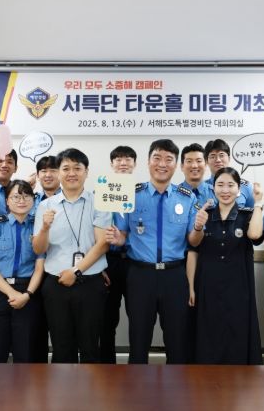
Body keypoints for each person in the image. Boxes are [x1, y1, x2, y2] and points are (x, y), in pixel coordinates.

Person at [107, 139, 203, 364]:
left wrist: (198, 227)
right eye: (157, 158)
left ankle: (176, 385)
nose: (162, 164)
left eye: (169, 159)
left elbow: (193, 241)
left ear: (176, 165)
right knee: (138, 340)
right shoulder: (131, 194)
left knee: (177, 341)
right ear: (148, 162)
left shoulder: (187, 197)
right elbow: (123, 235)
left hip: (175, 276)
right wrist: (118, 238)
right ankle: (136, 385)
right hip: (140, 275)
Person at [32, 148, 110, 363]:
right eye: (66, 168)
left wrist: (75, 271)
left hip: (90, 283)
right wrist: (45, 228)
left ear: (87, 172)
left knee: (90, 347)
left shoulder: (100, 202)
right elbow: (38, 249)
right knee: (61, 347)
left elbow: (103, 244)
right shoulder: (45, 206)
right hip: (56, 284)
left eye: (77, 168)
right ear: (59, 173)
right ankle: (62, 386)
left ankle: (89, 387)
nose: (71, 173)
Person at [187, 167, 264, 364]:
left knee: (237, 332)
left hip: (239, 287)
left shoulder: (247, 214)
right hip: (207, 286)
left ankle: (238, 379)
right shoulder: (204, 213)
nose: (225, 190)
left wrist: (258, 203)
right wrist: (191, 287)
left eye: (231, 185)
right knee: (208, 332)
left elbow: (255, 235)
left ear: (239, 189)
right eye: (220, 185)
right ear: (213, 188)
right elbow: (193, 247)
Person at [0, 180, 45, 363]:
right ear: (7, 200)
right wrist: (11, 293)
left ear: (33, 200)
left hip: (28, 292)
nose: (21, 201)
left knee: (25, 353)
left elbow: (39, 267)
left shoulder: (38, 227)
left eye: (26, 196)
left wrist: (27, 294)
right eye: (16, 196)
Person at [100, 145, 137, 364]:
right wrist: (99, 265)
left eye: (128, 159)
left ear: (135, 164)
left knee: (138, 317)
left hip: (134, 262)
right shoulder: (102, 193)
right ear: (112, 164)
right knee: (107, 318)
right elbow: (93, 233)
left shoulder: (142, 193)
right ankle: (107, 366)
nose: (123, 163)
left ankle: (136, 365)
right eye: (118, 159)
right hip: (109, 262)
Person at [204, 139, 254, 208]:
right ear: (206, 161)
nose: (218, 160)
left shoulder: (245, 187)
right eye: (213, 156)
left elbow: (254, 212)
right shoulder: (201, 188)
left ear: (229, 158)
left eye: (221, 155)